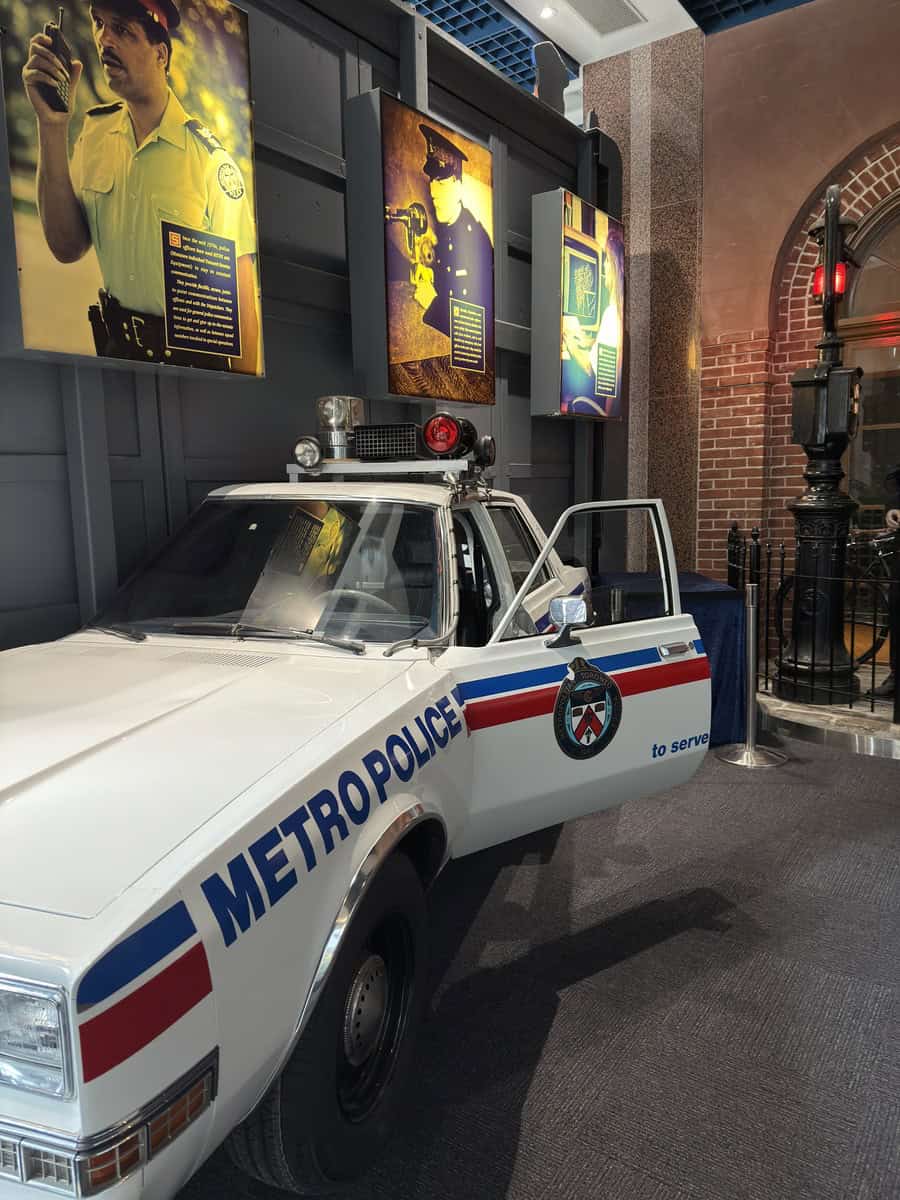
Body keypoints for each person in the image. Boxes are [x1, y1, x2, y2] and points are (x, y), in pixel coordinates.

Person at [22, 0, 260, 373]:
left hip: (191, 373)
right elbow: (67, 247)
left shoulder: (211, 162)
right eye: (99, 24)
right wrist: (51, 125)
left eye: (122, 30)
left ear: (160, 54)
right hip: (116, 361)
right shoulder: (95, 133)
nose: (104, 40)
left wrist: (238, 395)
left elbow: (242, 316)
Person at [412, 123, 492, 336]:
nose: (433, 192)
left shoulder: (476, 242)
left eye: (442, 182)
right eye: (432, 181)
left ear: (458, 186)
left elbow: (475, 330)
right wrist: (429, 273)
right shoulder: (445, 228)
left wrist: (432, 301)